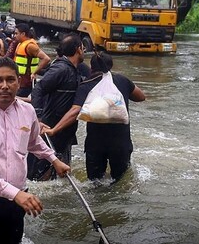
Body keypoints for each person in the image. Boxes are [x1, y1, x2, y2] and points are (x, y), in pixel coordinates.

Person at [0, 57, 71, 244]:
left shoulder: (27, 111)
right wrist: (16, 194)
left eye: (10, 80)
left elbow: (33, 142)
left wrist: (54, 160)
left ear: (18, 82)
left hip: (14, 200)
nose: (5, 86)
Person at [42, 52, 145, 183]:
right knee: (120, 182)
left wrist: (54, 130)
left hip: (96, 144)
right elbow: (141, 97)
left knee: (94, 184)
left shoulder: (87, 85)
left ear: (91, 67)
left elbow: (75, 111)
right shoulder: (122, 80)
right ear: (111, 66)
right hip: (121, 143)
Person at [28, 33, 84, 181]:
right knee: (39, 175)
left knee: (60, 174)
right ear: (79, 49)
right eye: (83, 48)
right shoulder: (61, 69)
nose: (84, 51)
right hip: (50, 129)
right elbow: (38, 89)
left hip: (64, 131)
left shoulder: (73, 69)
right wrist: (38, 118)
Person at [13, 23, 51, 97]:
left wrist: (34, 72)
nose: (14, 36)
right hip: (20, 81)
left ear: (23, 34)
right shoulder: (20, 44)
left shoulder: (30, 46)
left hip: (26, 82)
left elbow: (46, 59)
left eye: (16, 33)